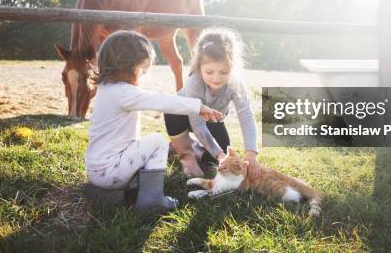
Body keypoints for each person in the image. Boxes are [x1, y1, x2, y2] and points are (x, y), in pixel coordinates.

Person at [85, 30, 221, 211]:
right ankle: (151, 200)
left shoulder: (106, 88)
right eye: (142, 69)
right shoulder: (123, 93)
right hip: (110, 170)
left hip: (97, 169)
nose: (143, 75)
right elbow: (162, 101)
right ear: (125, 66)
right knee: (157, 143)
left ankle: (114, 193)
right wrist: (199, 107)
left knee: (143, 145)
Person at [165, 28, 260, 180]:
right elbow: (197, 123)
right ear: (199, 67)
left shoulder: (235, 84)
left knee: (212, 161)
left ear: (232, 68)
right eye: (209, 72)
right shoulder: (194, 81)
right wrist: (220, 155)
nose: (216, 78)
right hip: (184, 117)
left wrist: (251, 152)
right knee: (172, 108)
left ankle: (190, 148)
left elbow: (246, 115)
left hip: (212, 120)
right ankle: (186, 154)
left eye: (224, 72)